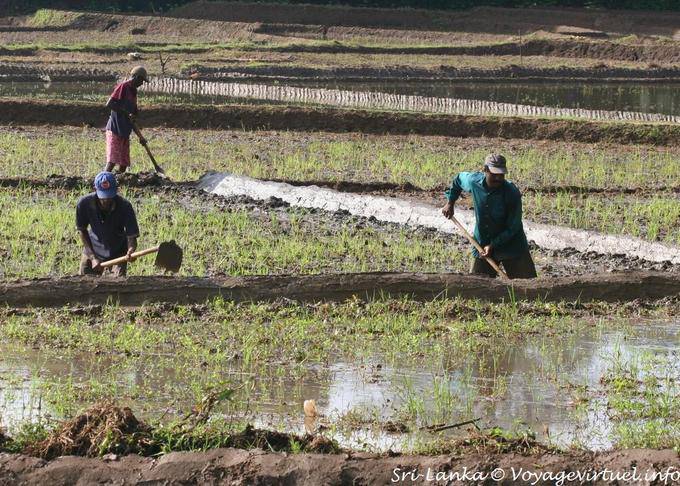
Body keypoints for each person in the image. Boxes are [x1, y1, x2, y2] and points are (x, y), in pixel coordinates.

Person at [441, 154, 537, 279]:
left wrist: (493, 244)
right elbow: (459, 179)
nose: (498, 178)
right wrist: (450, 202)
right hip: (482, 244)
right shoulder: (473, 182)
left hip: (512, 246)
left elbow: (513, 227)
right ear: (485, 170)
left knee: (529, 289)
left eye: (501, 175)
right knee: (477, 287)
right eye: (494, 174)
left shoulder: (512, 193)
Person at [76, 172, 139, 277]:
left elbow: (131, 236)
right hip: (93, 248)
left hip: (118, 251)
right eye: (103, 197)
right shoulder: (84, 204)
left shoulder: (125, 206)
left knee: (117, 285)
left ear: (116, 190)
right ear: (95, 190)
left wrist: (131, 250)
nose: (106, 200)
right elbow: (82, 230)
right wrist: (92, 257)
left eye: (109, 197)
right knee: (84, 283)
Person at [104, 65, 148, 173]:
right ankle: (102, 182)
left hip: (124, 131)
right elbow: (109, 104)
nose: (142, 83)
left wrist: (140, 137)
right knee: (112, 161)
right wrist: (126, 113)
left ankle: (120, 182)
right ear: (136, 77)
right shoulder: (123, 87)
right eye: (142, 80)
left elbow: (132, 119)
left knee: (124, 162)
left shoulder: (133, 92)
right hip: (115, 129)